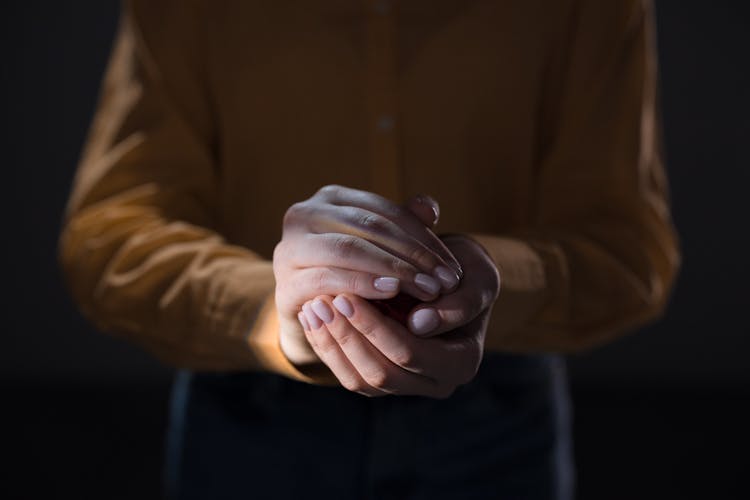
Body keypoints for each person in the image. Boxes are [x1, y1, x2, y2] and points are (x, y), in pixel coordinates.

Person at [59, 0, 680, 498]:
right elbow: (111, 238)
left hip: (496, 416)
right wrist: (272, 311)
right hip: (247, 414)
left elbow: (628, 251)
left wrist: (490, 282)